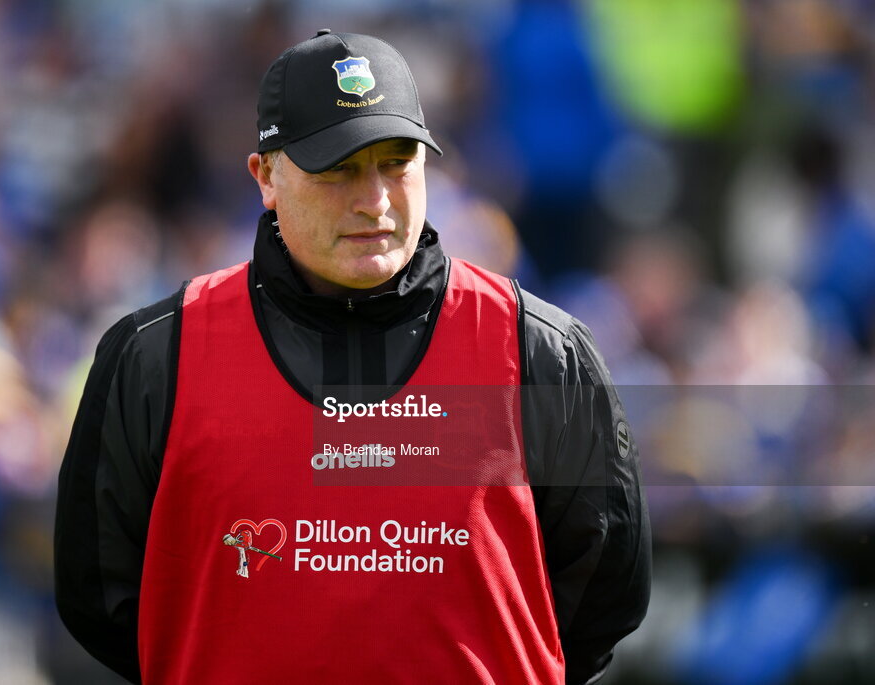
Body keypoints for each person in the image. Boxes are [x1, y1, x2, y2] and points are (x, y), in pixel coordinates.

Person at [55, 30, 650, 685]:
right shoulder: (154, 356)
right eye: (338, 168)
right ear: (266, 176)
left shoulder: (541, 351)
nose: (376, 200)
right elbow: (99, 596)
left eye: (397, 163)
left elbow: (605, 594)